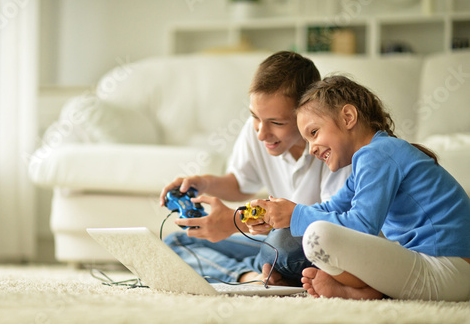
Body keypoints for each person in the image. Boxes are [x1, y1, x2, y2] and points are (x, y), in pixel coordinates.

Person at [250, 75, 470, 300]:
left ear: (348, 117)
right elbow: (331, 208)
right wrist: (283, 213)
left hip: (449, 269)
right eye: (307, 141)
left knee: (318, 236)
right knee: (316, 231)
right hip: (439, 269)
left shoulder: (377, 153)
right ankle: (365, 289)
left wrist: (295, 214)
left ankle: (364, 290)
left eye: (314, 133)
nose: (311, 150)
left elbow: (361, 227)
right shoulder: (372, 159)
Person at [159, 52, 351, 285]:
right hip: (273, 240)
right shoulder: (258, 132)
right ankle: (251, 276)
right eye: (255, 117)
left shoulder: (332, 147)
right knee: (177, 243)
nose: (261, 133)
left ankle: (266, 269)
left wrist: (234, 222)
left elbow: (334, 229)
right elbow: (240, 185)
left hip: (310, 242)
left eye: (276, 123)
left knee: (283, 244)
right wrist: (204, 183)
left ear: (307, 113)